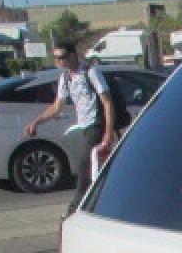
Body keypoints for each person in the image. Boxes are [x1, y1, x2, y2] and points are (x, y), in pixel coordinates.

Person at [24, 41, 115, 212]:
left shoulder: (90, 72)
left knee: (84, 167)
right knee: (95, 169)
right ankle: (97, 205)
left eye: (62, 57)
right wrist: (37, 121)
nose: (58, 62)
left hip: (97, 125)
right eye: (56, 58)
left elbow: (107, 103)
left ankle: (75, 210)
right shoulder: (65, 77)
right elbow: (57, 106)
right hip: (84, 127)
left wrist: (108, 133)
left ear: (73, 55)